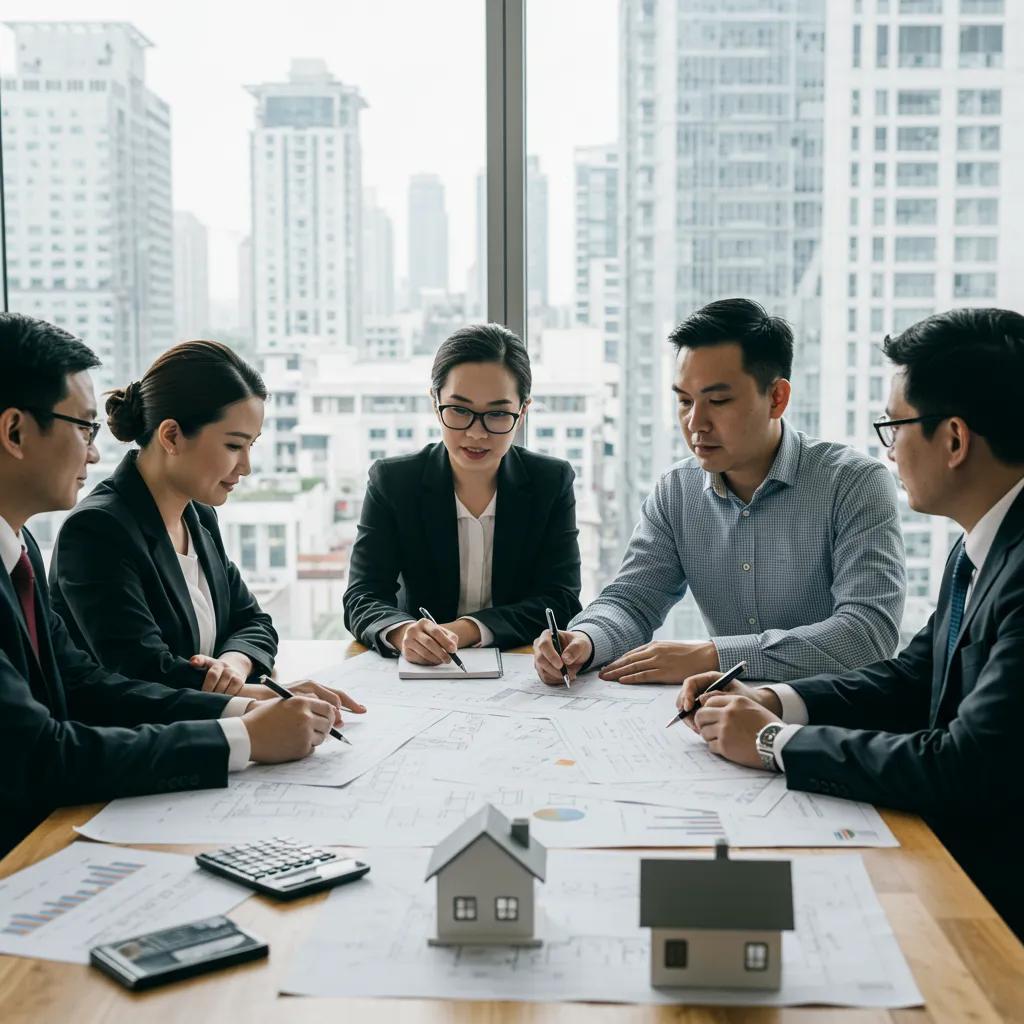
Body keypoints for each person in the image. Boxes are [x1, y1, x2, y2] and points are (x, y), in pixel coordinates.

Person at [675, 308, 1024, 939]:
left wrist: (771, 742)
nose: (888, 448)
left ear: (954, 439)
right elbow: (915, 679)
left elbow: (963, 766)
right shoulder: (979, 547)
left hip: (992, 897)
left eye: (895, 425)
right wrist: (771, 698)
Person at [0, 314, 365, 855]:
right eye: (82, 428)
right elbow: (44, 749)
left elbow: (80, 683)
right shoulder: (93, 529)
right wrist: (244, 735)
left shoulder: (21, 547)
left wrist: (250, 703)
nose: (95, 453)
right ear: (14, 432)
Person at [534, 297, 905, 686]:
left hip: (830, 720)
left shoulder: (854, 483)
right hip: (719, 714)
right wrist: (586, 639)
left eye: (718, 401)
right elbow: (632, 601)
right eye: (684, 401)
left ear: (777, 398)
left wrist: (714, 656)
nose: (695, 422)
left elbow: (868, 634)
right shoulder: (677, 491)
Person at [49, 340, 329, 702]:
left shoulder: (198, 516)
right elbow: (143, 672)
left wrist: (233, 664)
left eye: (251, 446)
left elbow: (253, 622)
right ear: (171, 436)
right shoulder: (96, 531)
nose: (246, 466)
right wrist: (266, 698)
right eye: (233, 446)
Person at [344, 323, 582, 664]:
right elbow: (362, 595)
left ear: (523, 411)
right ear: (435, 401)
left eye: (498, 414)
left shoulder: (550, 481)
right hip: (419, 670)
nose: (476, 433)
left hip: (520, 666)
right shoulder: (395, 482)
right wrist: (403, 633)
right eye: (459, 410)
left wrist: (465, 630)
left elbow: (561, 599)